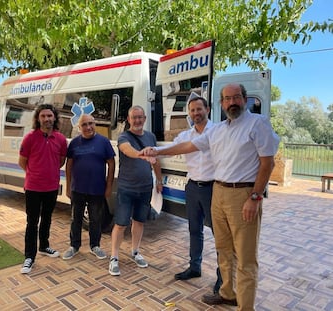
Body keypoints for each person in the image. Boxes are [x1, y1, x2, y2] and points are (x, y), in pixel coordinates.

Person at [141, 83, 279, 310]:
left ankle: (246, 306)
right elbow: (186, 146)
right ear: (222, 103)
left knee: (245, 257)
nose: (232, 102)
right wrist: (157, 151)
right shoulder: (218, 130)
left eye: (236, 98)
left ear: (245, 99)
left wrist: (255, 197)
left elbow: (267, 163)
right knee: (223, 248)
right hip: (219, 192)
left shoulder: (257, 124)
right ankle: (227, 293)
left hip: (243, 193)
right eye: (227, 99)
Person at [161, 93, 222, 293]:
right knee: (194, 230)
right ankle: (194, 267)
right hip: (193, 187)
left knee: (220, 234)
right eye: (192, 110)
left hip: (214, 188)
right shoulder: (186, 135)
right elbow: (171, 147)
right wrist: (150, 150)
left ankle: (223, 277)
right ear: (189, 113)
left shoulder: (219, 131)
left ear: (208, 110)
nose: (196, 113)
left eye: (199, 109)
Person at [108, 105, 163, 276]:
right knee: (121, 223)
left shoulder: (151, 136)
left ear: (145, 118)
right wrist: (141, 153)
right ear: (129, 119)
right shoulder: (124, 136)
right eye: (134, 117)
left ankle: (135, 251)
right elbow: (127, 150)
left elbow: (156, 160)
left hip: (145, 187)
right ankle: (114, 257)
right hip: (126, 187)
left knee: (139, 221)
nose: (138, 120)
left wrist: (159, 180)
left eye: (140, 117)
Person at [19, 104, 68, 274]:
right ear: (38, 119)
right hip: (33, 187)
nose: (47, 119)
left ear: (54, 118)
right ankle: (29, 257)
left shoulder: (61, 139)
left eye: (49, 116)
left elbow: (61, 161)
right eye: (43, 116)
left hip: (51, 187)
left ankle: (44, 246)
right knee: (32, 222)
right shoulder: (30, 138)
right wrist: (34, 174)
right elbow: (22, 161)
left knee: (47, 218)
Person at [62, 114, 115, 260]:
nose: (88, 127)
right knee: (75, 219)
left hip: (97, 189)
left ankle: (95, 246)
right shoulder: (74, 143)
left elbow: (111, 163)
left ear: (95, 124)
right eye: (84, 124)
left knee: (96, 219)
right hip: (77, 188)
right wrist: (68, 186)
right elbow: (69, 165)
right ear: (79, 127)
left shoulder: (103, 142)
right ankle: (74, 246)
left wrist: (109, 186)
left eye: (91, 123)